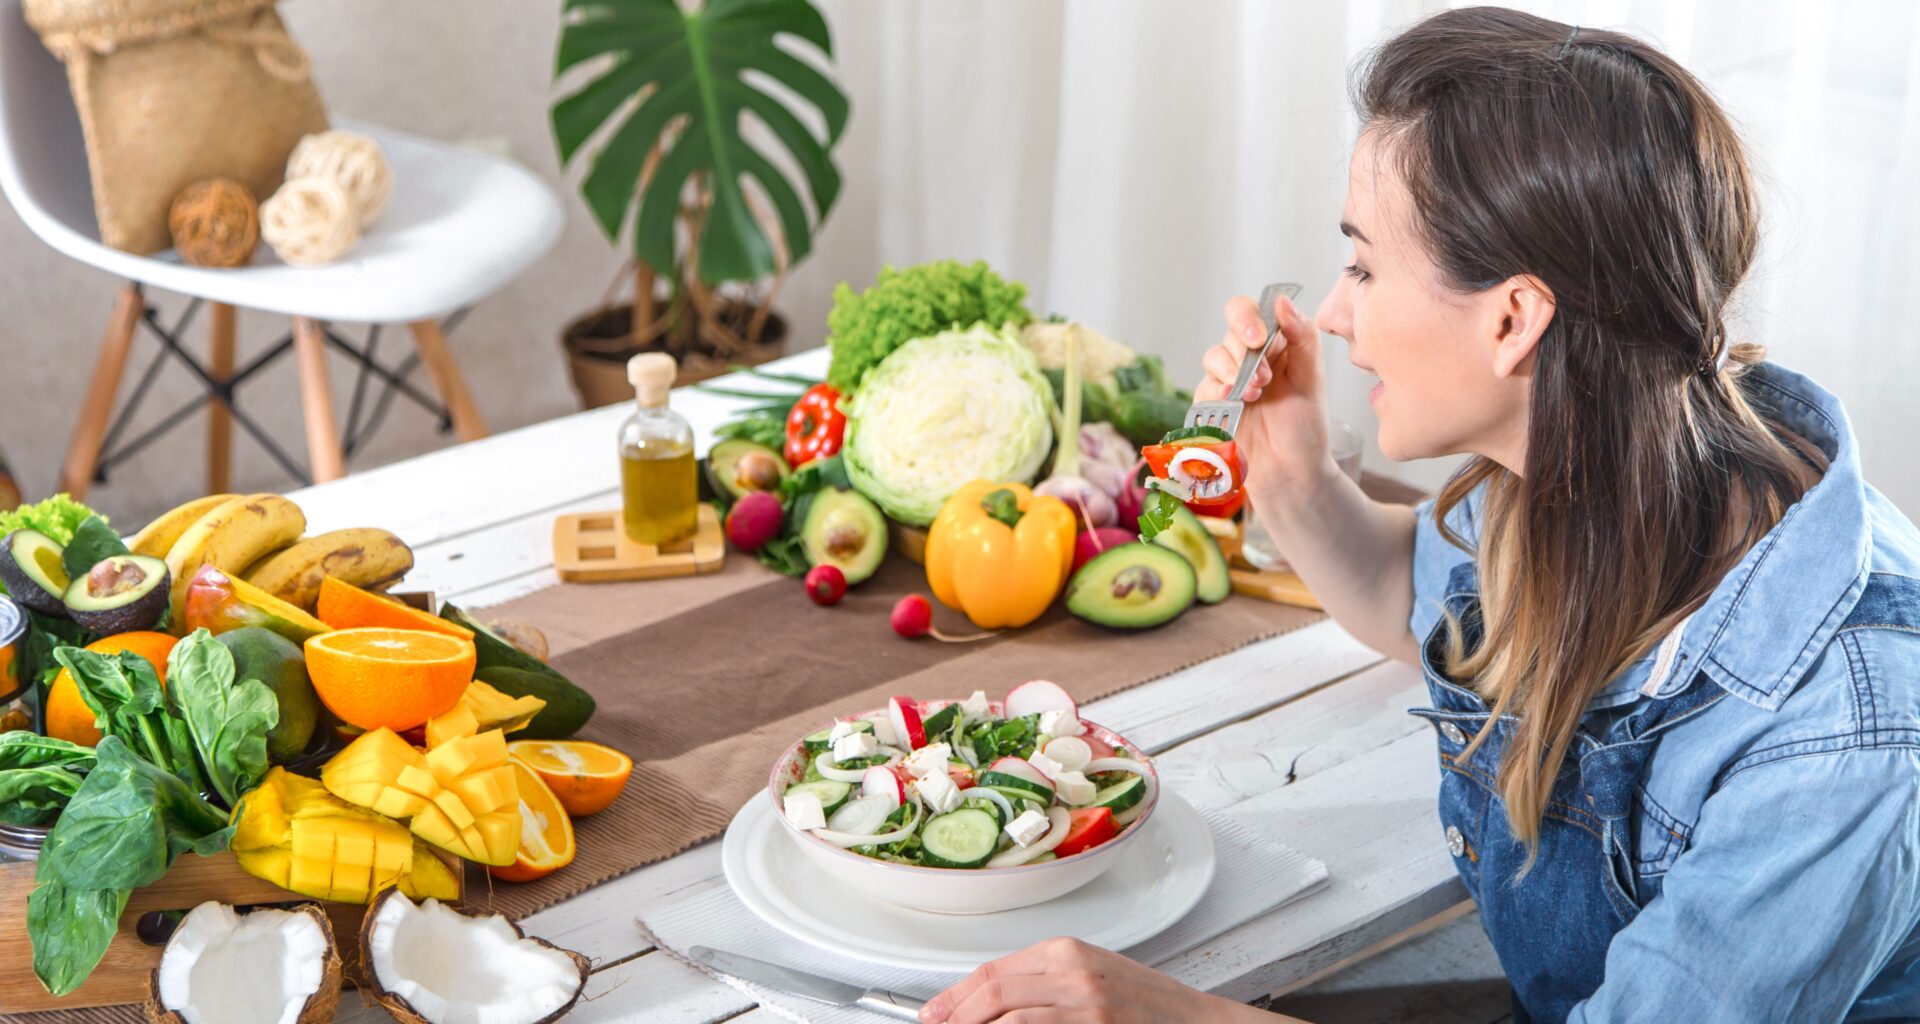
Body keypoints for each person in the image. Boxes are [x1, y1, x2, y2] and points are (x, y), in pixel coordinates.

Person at [918, 7, 1920, 1024]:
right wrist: (1297, 473)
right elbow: (1420, 601)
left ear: (1513, 319)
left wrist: (1175, 1014)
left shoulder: (1840, 734)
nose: (1338, 312)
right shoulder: (1611, 457)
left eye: (1363, 264)